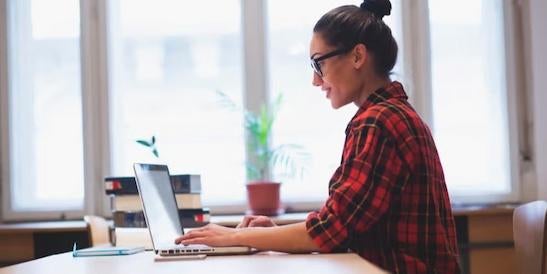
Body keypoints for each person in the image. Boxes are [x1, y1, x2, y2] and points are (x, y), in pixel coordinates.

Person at [175, 1, 461, 273]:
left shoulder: (378, 123)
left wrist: (236, 237)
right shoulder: (393, 114)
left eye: (318, 64)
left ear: (358, 56)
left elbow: (331, 230)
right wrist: (274, 235)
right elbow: (340, 227)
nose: (315, 80)